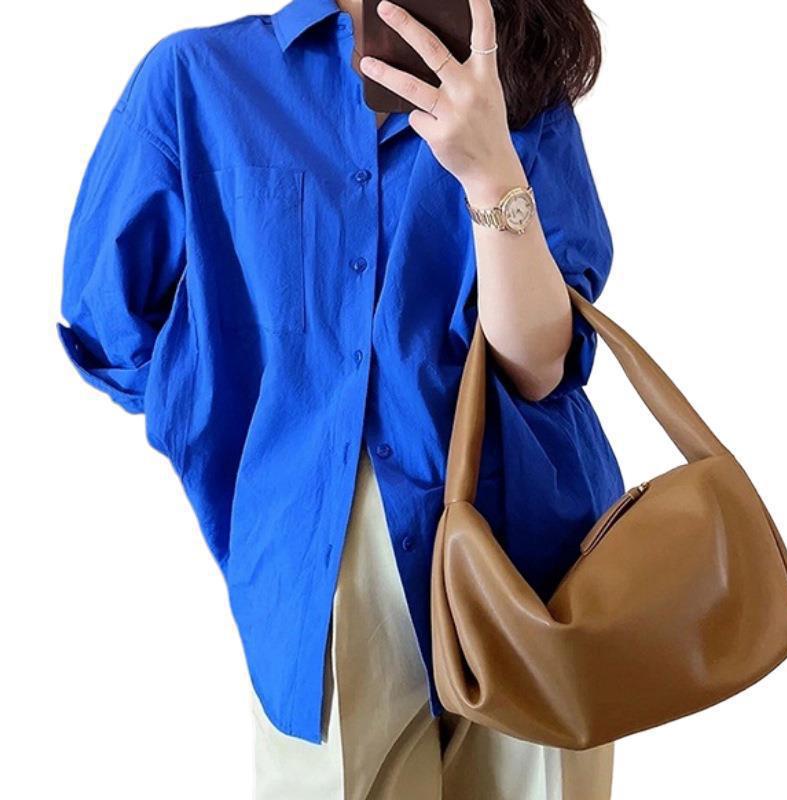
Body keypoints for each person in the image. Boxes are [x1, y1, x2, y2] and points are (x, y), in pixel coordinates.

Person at [56, 0, 624, 796]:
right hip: (320, 547)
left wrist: (489, 170)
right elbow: (108, 324)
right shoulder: (199, 78)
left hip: (533, 539)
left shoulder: (513, 70)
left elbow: (539, 365)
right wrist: (246, 428)